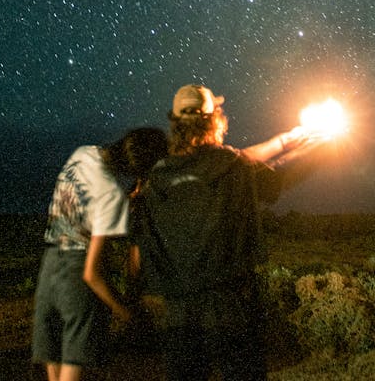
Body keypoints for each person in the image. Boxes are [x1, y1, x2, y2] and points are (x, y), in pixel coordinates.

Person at [129, 84, 323, 381]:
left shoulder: (157, 178)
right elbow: (274, 172)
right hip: (231, 307)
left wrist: (287, 139)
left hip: (178, 311)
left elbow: (235, 160)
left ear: (176, 124)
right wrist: (317, 144)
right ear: (213, 120)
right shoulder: (231, 167)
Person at [32, 126, 168, 381]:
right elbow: (91, 273)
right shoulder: (111, 195)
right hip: (75, 276)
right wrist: (128, 314)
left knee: (54, 363)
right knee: (73, 368)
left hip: (50, 264)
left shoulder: (83, 154)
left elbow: (79, 209)